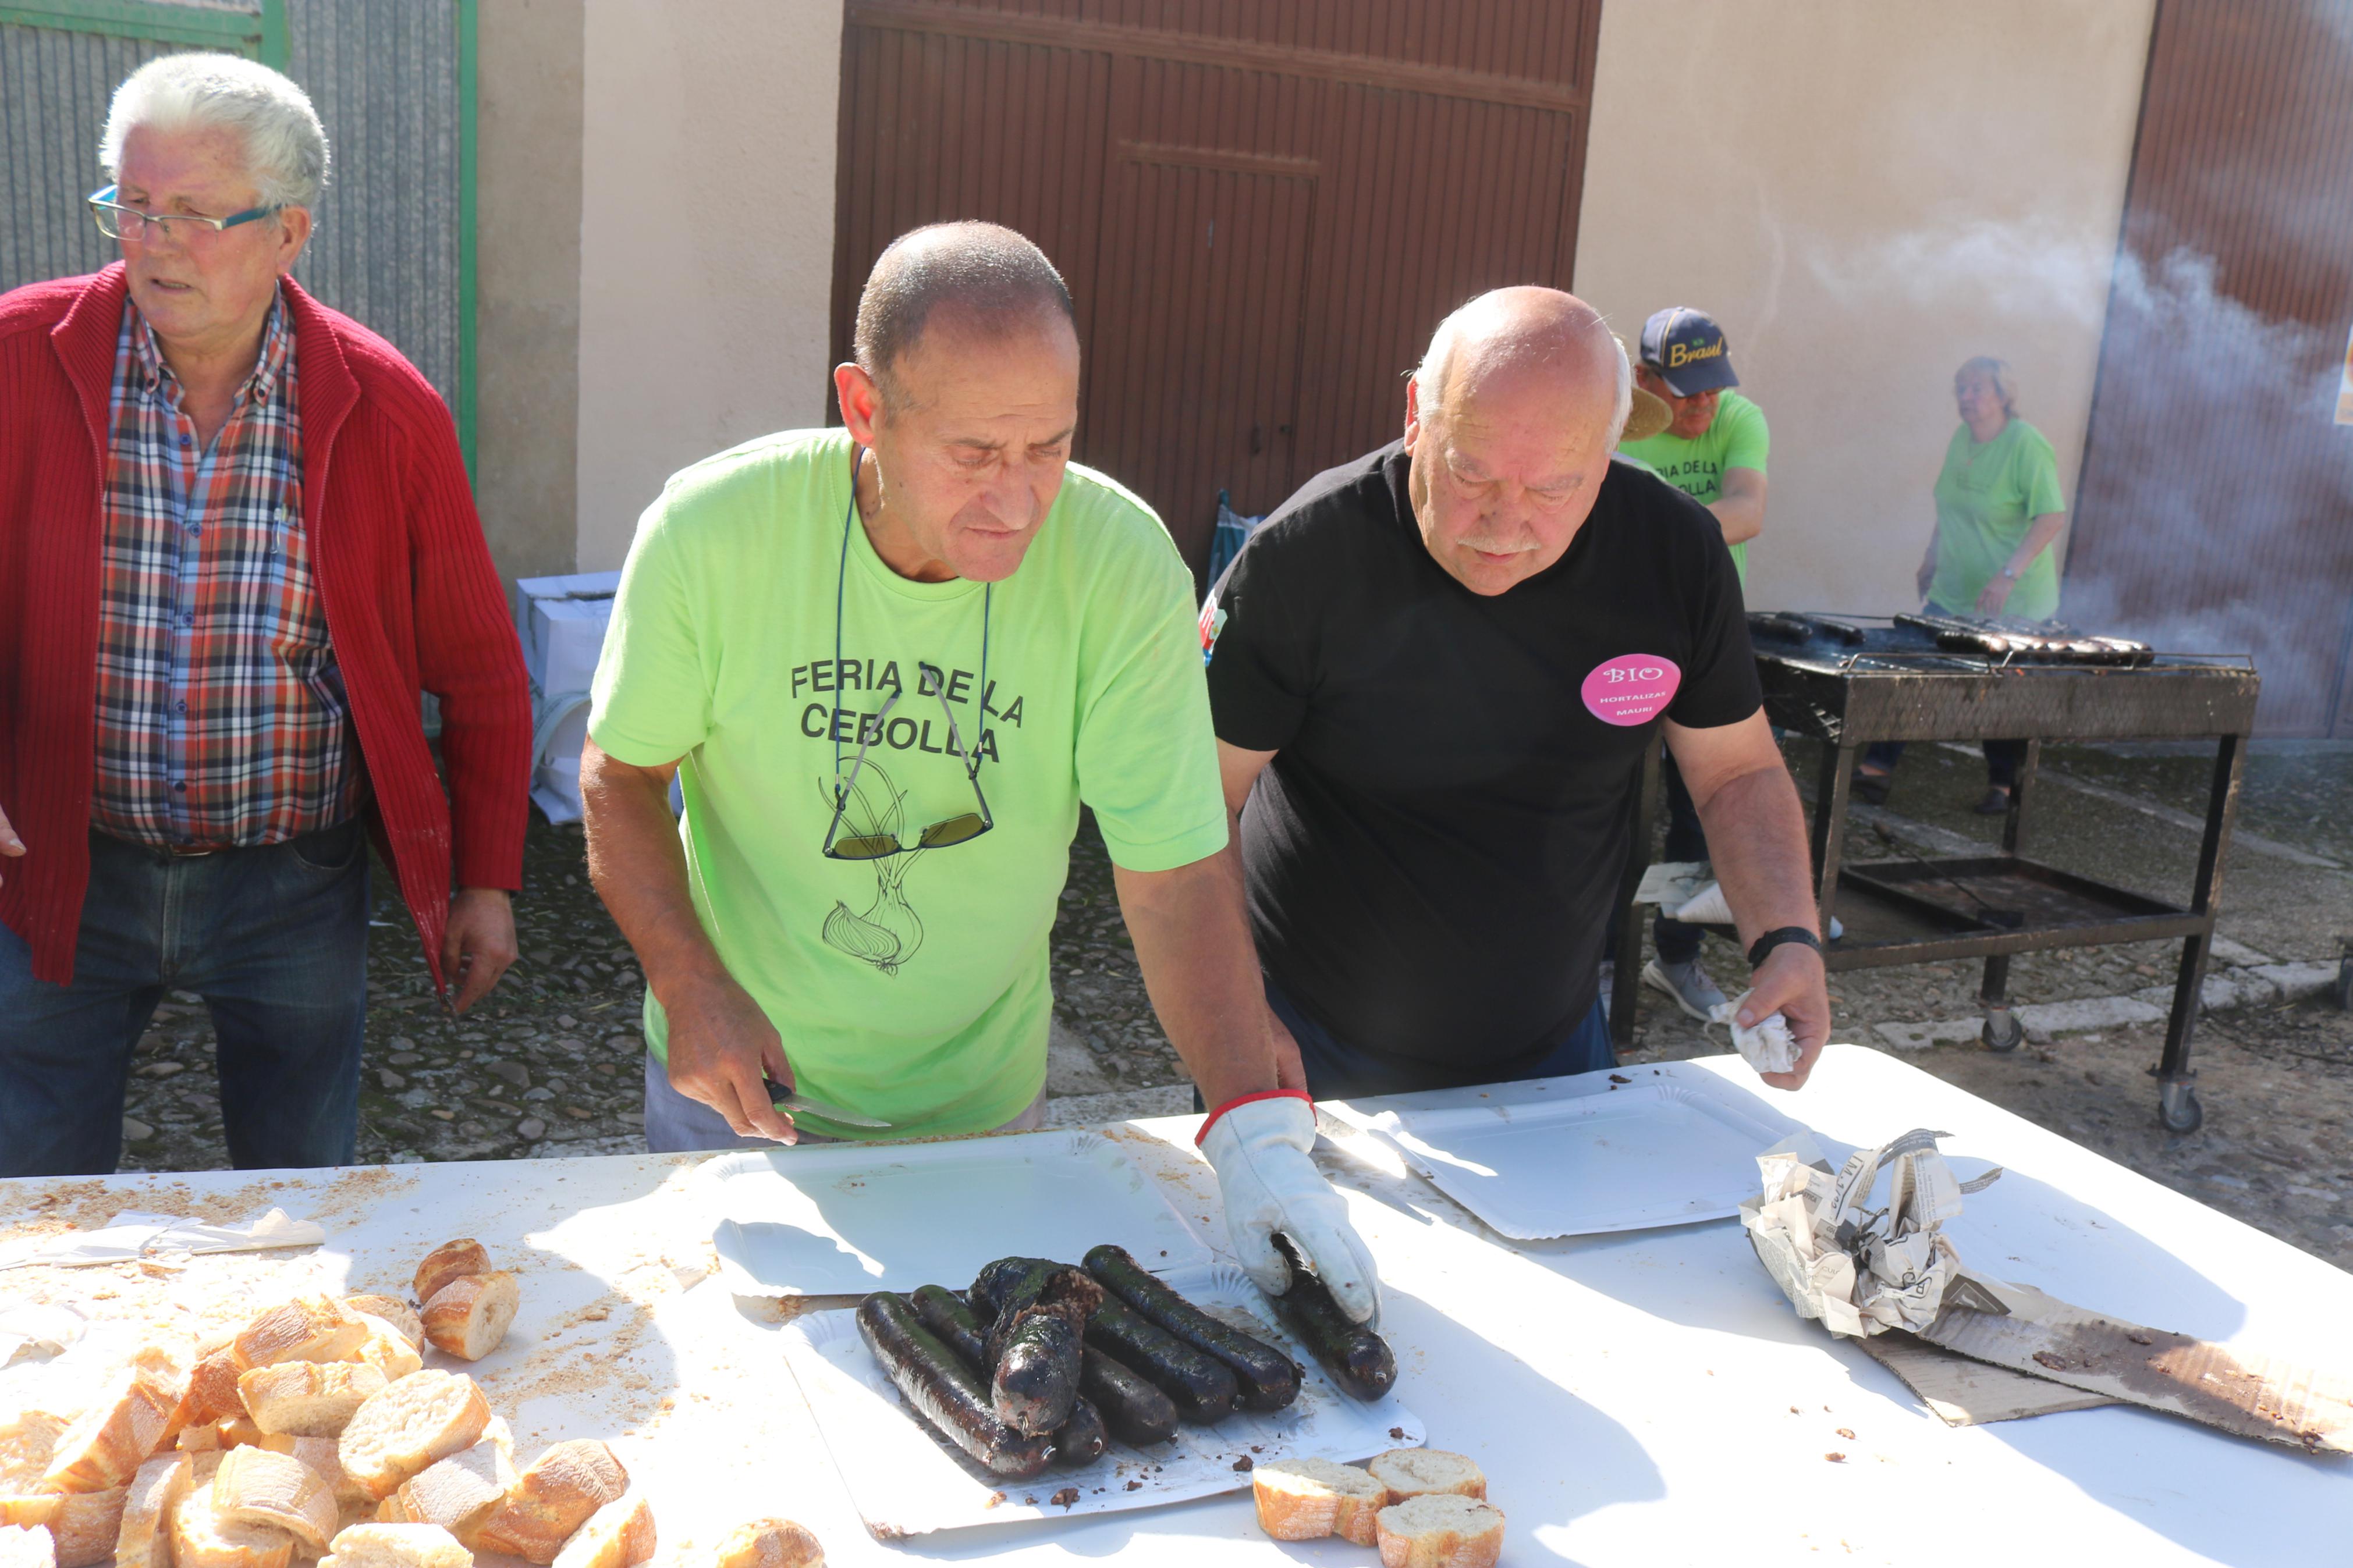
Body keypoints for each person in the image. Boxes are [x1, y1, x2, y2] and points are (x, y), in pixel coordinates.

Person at [581, 222, 1378, 1324]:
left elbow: (1173, 872)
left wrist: (1251, 1131)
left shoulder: (1115, 562)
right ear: (863, 409)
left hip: (981, 1106)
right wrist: (689, 982)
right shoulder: (713, 532)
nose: (1018, 500)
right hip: (735, 1103)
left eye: (1048, 447)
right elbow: (618, 777)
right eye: (972, 454)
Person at [0, 54, 531, 1178]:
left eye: (194, 214)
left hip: (292, 882)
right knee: (35, 1193)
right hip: (60, 860)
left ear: (289, 233)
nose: (152, 242)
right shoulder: (16, 361)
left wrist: (485, 878)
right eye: (133, 207)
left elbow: (479, 668)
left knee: (303, 1193)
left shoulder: (384, 408)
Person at [1202, 287, 1829, 1101]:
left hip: (1558, 1038)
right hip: (1307, 1036)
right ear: (1414, 418)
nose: (1502, 522)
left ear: (1607, 457)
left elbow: (1734, 772)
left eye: (1552, 489)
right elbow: (1192, 798)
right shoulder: (1302, 558)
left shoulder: (1671, 554)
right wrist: (1229, 1006)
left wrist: (1786, 936)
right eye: (1469, 472)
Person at [1611, 307, 1770, 1022]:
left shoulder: (1741, 418)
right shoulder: (1615, 423)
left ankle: (1672, 955)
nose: (1704, 405)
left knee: (1698, 815)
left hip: (1702, 639)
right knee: (1607, 803)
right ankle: (1593, 958)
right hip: (1616, 639)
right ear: (1644, 382)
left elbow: (1745, 509)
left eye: (1713, 388)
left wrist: (1657, 529)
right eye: (1686, 392)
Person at [1855, 357, 2067, 815]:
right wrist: (1930, 558)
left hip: (2014, 598)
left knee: (2003, 690)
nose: (1966, 398)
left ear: (2003, 395)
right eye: (1961, 389)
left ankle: (2002, 786)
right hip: (1953, 590)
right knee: (1912, 669)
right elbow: (1949, 504)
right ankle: (1875, 767)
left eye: (1976, 389)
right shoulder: (1961, 440)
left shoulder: (2025, 444)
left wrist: (2006, 575)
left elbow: (2050, 516)